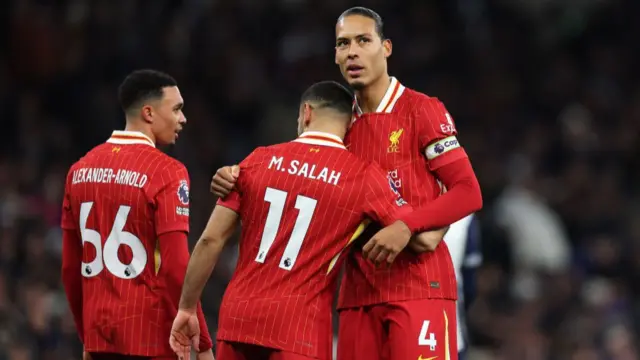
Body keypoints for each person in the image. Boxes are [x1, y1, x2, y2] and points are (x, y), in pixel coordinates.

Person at [211, 7, 483, 360]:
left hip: (419, 288)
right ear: (336, 56)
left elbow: (468, 191)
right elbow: (296, 178)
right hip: (357, 296)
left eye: (363, 40)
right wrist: (236, 175)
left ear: (385, 48)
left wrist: (407, 225)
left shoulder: (422, 110)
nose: (352, 51)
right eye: (343, 44)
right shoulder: (340, 128)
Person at [169, 81, 432, 360]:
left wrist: (186, 308)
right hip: (301, 330)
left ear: (306, 113)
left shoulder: (257, 160)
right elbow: (423, 237)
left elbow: (211, 240)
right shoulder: (364, 178)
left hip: (238, 320)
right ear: (351, 123)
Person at [60, 69, 214, 360]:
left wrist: (87, 337)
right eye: (177, 109)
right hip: (151, 340)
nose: (184, 119)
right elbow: (176, 267)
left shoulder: (78, 171)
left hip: (100, 340)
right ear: (148, 113)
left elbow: (71, 269)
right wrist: (203, 343)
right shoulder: (168, 172)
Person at [443, 214, 482, 359]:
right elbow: (470, 286)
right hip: (448, 330)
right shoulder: (464, 215)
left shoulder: (387, 205)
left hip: (398, 327)